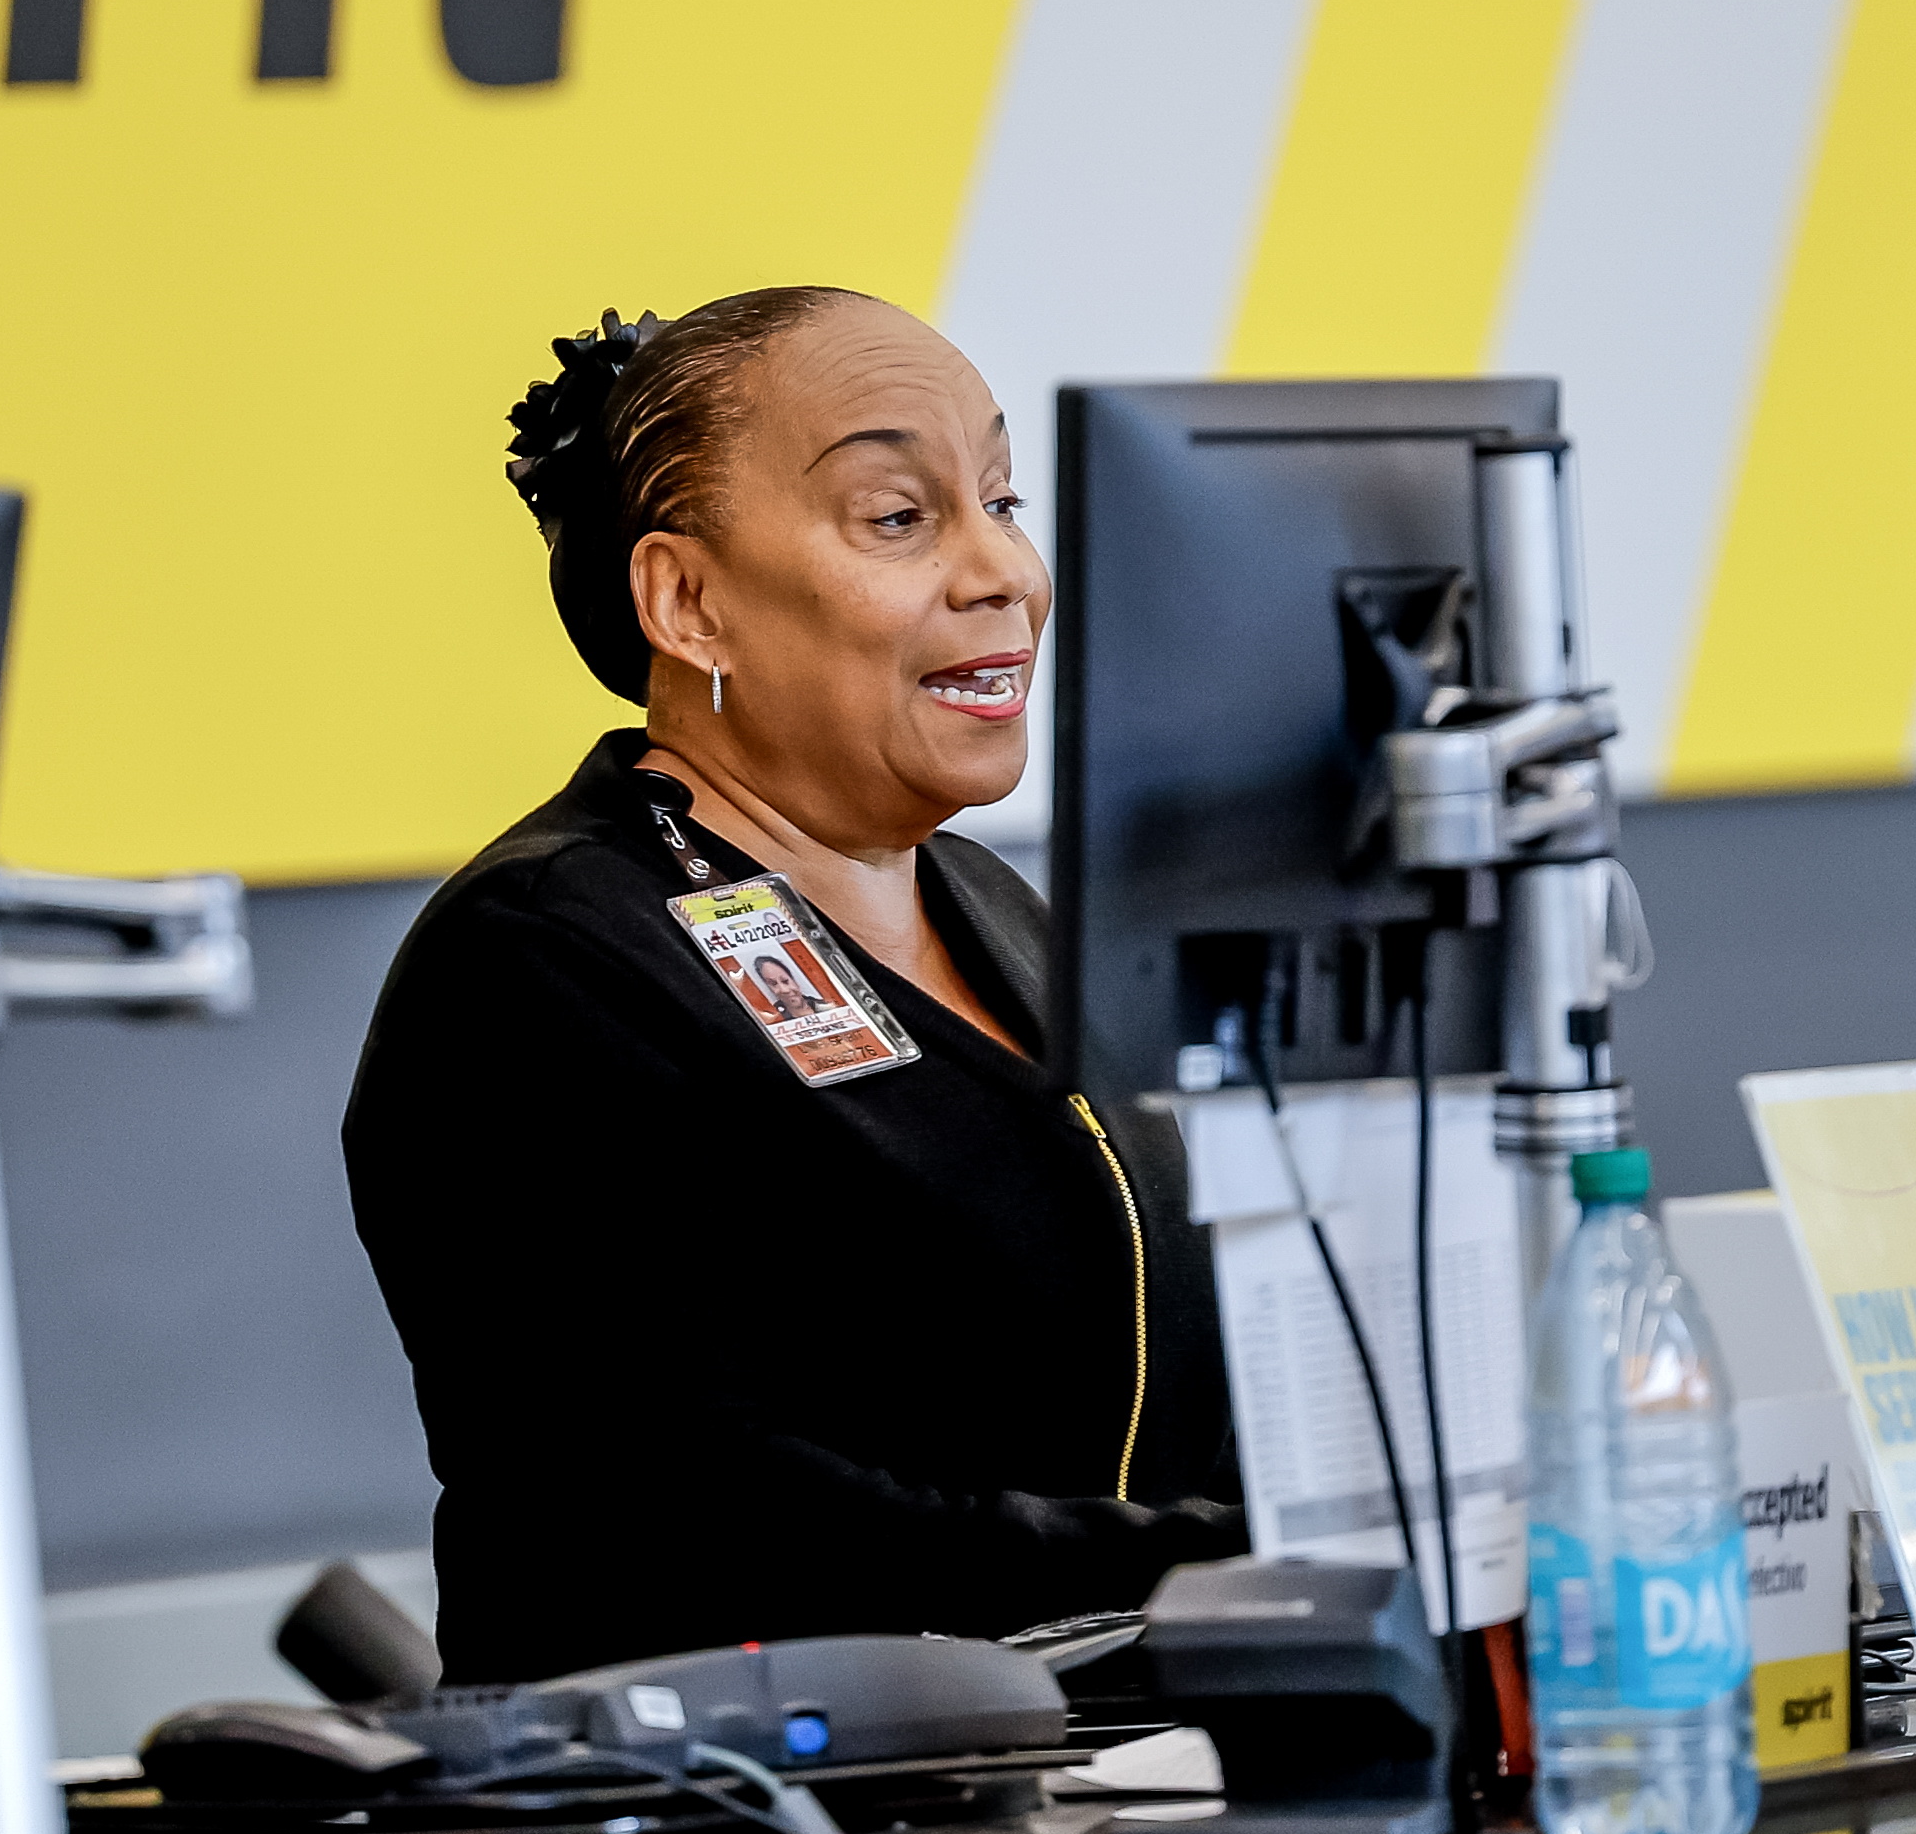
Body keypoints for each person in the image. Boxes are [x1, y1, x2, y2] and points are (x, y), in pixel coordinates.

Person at [346, 287, 1245, 1683]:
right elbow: (701, 1501)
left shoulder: (998, 909)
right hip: (749, 1833)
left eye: (1000, 501)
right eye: (899, 517)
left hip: (1091, 1760)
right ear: (688, 600)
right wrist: (1210, 1563)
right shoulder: (543, 959)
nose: (1001, 569)